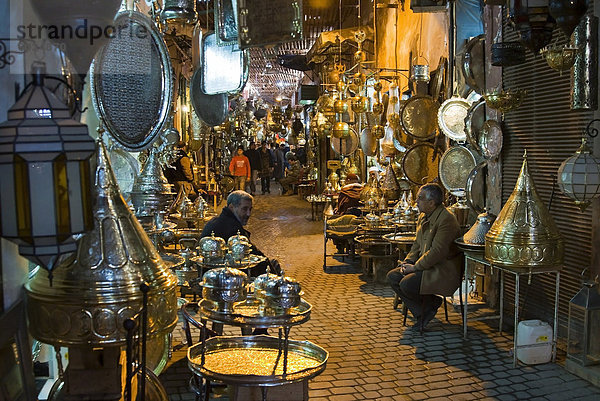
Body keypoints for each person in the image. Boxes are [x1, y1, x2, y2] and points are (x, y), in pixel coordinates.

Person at [386, 183, 462, 330]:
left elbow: (437, 252)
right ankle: (426, 309)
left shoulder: (446, 219)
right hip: (426, 265)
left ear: (431, 203)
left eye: (420, 198)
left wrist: (415, 267)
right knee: (393, 277)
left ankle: (427, 308)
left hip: (442, 269)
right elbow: (417, 244)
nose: (417, 202)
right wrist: (408, 261)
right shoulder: (423, 216)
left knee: (407, 283)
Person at [200, 190, 277, 277]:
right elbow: (254, 253)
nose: (248, 214)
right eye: (244, 209)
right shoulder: (232, 227)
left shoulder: (218, 220)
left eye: (250, 209)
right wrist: (274, 276)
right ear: (232, 207)